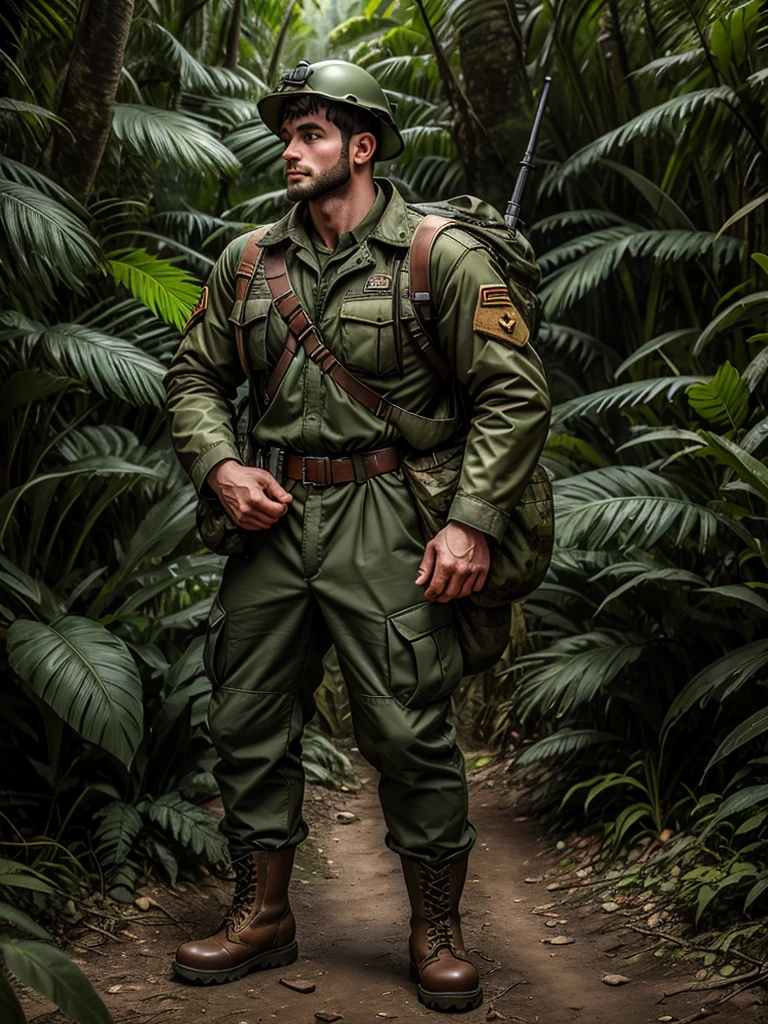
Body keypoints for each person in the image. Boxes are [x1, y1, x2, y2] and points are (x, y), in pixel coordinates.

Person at [163, 58, 550, 1012]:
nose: (288, 152)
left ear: (361, 147)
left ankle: (435, 927)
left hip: (388, 515)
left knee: (406, 728)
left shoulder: (437, 255)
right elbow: (192, 379)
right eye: (286, 135)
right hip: (273, 518)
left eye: (311, 135)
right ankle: (262, 915)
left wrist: (470, 524)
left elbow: (515, 392)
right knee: (245, 717)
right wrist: (220, 466)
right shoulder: (249, 261)